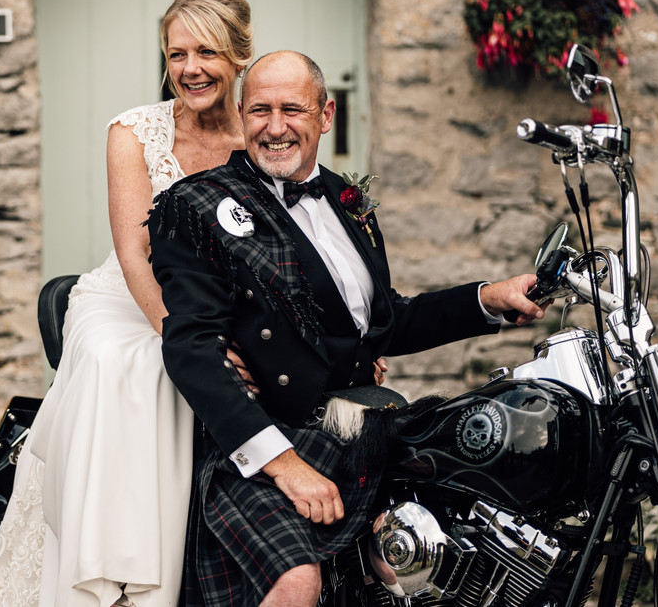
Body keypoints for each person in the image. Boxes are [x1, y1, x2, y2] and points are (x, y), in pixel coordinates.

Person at [147, 50, 546, 606]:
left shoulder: (347, 200)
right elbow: (191, 349)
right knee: (296, 580)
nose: (276, 127)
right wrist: (284, 467)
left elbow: (384, 322)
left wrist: (487, 298)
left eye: (293, 109)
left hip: (363, 431)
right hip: (269, 441)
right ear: (240, 115)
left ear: (326, 115)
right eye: (260, 110)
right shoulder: (194, 206)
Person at [0, 0, 253, 607]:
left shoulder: (260, 137)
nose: (190, 69)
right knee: (126, 362)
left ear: (238, 57)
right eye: (176, 54)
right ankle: (110, 577)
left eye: (206, 53)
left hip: (223, 302)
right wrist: (184, 339)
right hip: (129, 298)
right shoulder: (134, 131)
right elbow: (133, 253)